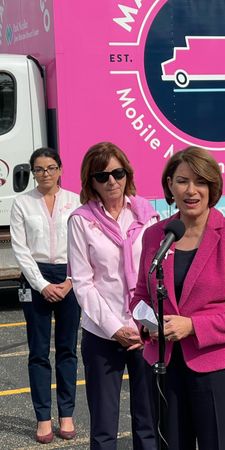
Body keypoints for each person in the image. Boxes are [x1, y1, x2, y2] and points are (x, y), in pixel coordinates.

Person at [130, 146, 225, 450]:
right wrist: (147, 324)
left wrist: (192, 326)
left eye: (200, 182)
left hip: (218, 370)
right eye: (182, 181)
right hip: (165, 367)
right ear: (169, 186)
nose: (191, 190)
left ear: (212, 188)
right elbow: (140, 293)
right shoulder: (155, 236)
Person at [67, 142, 159, 450]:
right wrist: (114, 328)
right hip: (102, 334)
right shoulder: (81, 220)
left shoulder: (147, 214)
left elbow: (154, 273)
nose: (112, 182)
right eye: (102, 175)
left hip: (145, 330)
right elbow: (83, 283)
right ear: (90, 181)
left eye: (118, 173)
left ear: (127, 174)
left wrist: (143, 324)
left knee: (148, 422)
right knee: (104, 428)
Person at [10, 147, 81, 444]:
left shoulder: (75, 201)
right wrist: (41, 285)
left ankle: (66, 413)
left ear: (61, 169)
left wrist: (70, 280)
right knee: (38, 353)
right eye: (39, 169)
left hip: (68, 277)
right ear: (32, 173)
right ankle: (43, 417)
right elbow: (20, 249)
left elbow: (83, 245)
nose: (45, 174)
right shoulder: (21, 203)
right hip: (35, 278)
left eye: (50, 168)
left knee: (67, 350)